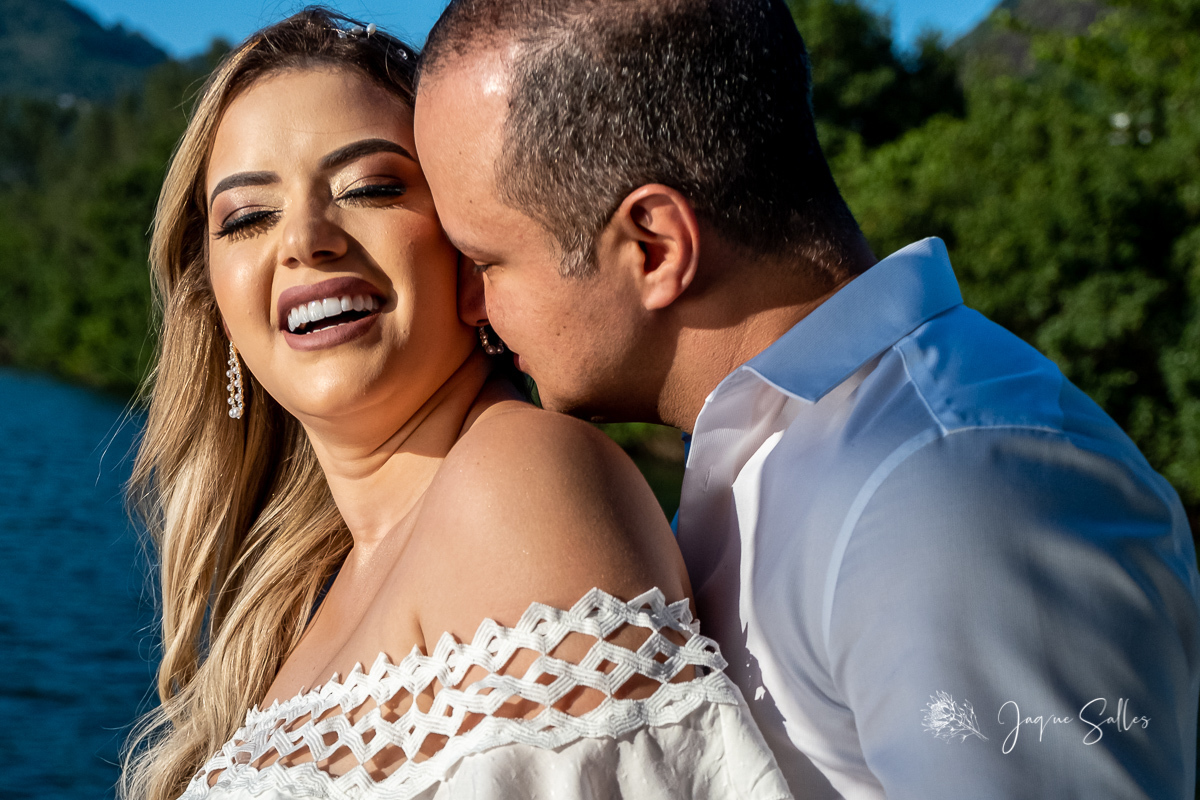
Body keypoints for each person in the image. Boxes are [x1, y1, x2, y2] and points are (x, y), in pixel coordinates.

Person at [412, 0, 1200, 797]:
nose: (470, 304)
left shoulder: (946, 491)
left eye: (487, 260)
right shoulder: (784, 460)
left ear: (654, 247)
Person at [120, 10, 793, 800]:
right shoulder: (303, 600)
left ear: (468, 251)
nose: (304, 239)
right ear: (215, 301)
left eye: (370, 186)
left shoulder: (519, 485)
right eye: (249, 216)